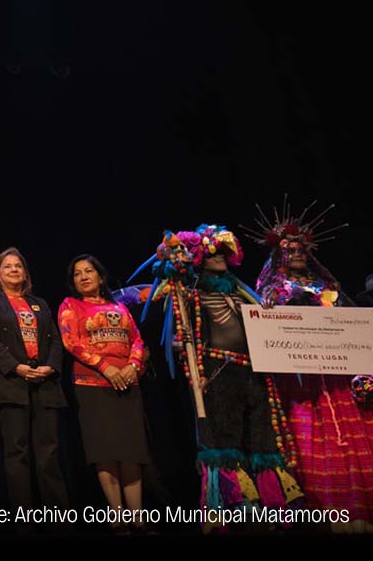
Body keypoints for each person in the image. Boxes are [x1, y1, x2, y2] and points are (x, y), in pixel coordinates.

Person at [132, 225, 301, 531]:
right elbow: (161, 308)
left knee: (263, 440)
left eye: (224, 252)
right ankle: (233, 506)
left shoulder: (241, 292)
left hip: (253, 371)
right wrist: (172, 265)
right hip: (216, 373)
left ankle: (274, 505)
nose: (219, 257)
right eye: (212, 252)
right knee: (222, 440)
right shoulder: (191, 292)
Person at [246, 203, 372, 532]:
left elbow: (352, 326)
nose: (297, 254)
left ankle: (355, 510)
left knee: (348, 440)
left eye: (301, 249)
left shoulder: (328, 289)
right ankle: (319, 514)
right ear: (278, 255)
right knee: (307, 438)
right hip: (299, 382)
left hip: (335, 378)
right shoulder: (271, 291)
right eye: (289, 249)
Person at [0, 247, 69, 528]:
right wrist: (16, 366)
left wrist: (50, 367)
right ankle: (25, 524)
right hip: (10, 383)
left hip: (44, 384)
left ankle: (59, 522)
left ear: (25, 273)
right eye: (8, 267)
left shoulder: (39, 303)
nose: (14, 270)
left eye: (18, 266)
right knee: (17, 455)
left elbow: (54, 340)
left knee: (48, 454)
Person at [57, 254, 150, 534]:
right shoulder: (70, 305)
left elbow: (137, 339)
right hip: (92, 385)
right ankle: (117, 517)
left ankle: (138, 517)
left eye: (89, 271)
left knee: (132, 451)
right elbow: (70, 341)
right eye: (77, 273)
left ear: (100, 276)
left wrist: (134, 366)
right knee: (105, 451)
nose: (83, 276)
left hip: (128, 383)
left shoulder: (120, 306)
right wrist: (105, 366)